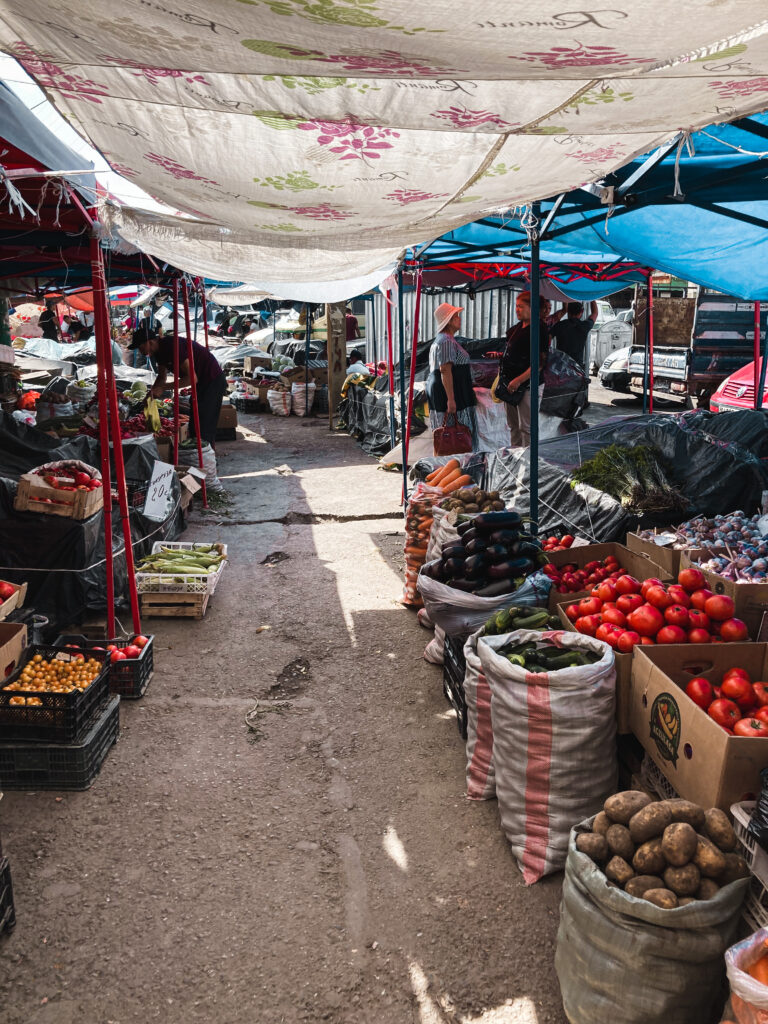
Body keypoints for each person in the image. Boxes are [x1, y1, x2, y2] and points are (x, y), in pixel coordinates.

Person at [128, 325, 226, 447]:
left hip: (212, 379)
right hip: (202, 382)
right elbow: (162, 377)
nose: (140, 351)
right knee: (195, 420)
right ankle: (198, 452)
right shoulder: (158, 352)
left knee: (203, 422)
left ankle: (207, 457)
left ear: (150, 342)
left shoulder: (172, 346)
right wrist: (150, 394)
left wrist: (163, 388)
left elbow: (191, 378)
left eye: (140, 346)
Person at [496, 291, 548, 447]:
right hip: (510, 384)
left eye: (521, 306)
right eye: (516, 306)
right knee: (513, 426)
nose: (517, 309)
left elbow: (539, 363)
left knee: (526, 427)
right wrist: (500, 355)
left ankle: (528, 464)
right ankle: (516, 458)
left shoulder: (539, 329)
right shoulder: (518, 328)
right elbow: (516, 352)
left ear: (532, 308)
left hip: (527, 386)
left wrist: (518, 381)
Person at [425, 303, 478, 452]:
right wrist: (451, 399)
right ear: (449, 320)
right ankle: (454, 465)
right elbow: (445, 370)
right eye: (456, 316)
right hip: (449, 392)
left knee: (448, 434)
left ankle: (451, 464)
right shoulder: (446, 341)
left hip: (445, 390)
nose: (459, 319)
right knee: (453, 434)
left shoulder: (443, 340)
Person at [550, 300, 598, 370]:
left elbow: (547, 339)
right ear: (581, 312)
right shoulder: (584, 326)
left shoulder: (559, 325)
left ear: (568, 311)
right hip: (577, 368)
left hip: (561, 367)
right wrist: (592, 298)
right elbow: (595, 313)